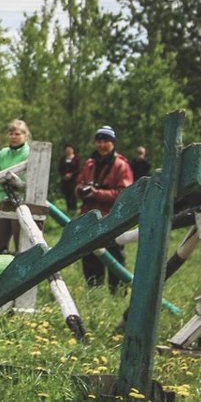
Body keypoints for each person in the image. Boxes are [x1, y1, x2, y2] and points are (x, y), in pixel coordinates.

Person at [77, 125, 134, 291]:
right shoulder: (89, 164)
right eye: (99, 141)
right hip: (89, 218)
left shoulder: (121, 166)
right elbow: (78, 183)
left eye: (106, 141)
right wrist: (81, 190)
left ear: (113, 143)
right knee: (89, 255)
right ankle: (93, 291)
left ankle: (118, 293)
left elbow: (125, 194)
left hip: (112, 219)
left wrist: (98, 193)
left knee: (114, 256)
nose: (102, 145)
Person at [0, 120, 30, 255]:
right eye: (10, 133)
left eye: (17, 134)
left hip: (22, 203)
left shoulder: (30, 153)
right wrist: (4, 188)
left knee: (22, 245)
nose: (13, 137)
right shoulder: (3, 153)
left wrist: (14, 185)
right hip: (3, 200)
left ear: (25, 135)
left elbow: (29, 180)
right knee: (0, 244)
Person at [58, 143, 80, 213]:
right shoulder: (62, 159)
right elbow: (60, 169)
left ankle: (74, 208)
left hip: (73, 180)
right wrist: (64, 175)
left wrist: (71, 174)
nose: (68, 151)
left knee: (73, 194)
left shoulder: (76, 159)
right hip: (65, 181)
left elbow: (78, 169)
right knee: (67, 194)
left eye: (70, 149)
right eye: (67, 150)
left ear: (72, 150)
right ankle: (69, 209)